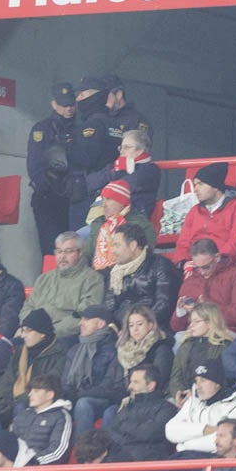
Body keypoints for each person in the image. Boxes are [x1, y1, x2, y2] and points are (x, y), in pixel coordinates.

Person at [27, 84, 85, 257]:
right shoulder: (42, 129)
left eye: (71, 104)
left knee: (75, 250)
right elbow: (34, 165)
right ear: (54, 104)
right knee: (51, 250)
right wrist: (48, 187)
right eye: (64, 105)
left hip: (74, 197)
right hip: (49, 197)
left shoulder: (82, 128)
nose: (68, 109)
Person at [23, 232, 105, 342]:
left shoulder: (92, 279)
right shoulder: (44, 278)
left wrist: (47, 331)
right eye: (59, 251)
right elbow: (28, 307)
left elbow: (84, 317)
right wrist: (29, 328)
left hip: (64, 337)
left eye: (68, 251)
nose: (62, 256)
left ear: (80, 252)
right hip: (33, 333)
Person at [100, 363, 178, 471]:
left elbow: (149, 433)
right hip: (118, 461)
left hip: (146, 467)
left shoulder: (167, 409)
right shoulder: (128, 407)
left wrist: (123, 426)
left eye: (135, 382)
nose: (129, 387)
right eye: (131, 382)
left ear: (151, 386)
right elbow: (110, 433)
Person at [62, 304, 125, 433]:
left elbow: (110, 387)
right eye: (81, 319)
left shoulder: (115, 350)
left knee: (83, 404)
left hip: (105, 401)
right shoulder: (74, 350)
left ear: (101, 324)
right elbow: (66, 382)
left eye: (86, 320)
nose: (80, 323)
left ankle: (82, 445)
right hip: (76, 397)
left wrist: (80, 394)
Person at [0, 311, 68, 421]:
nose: (23, 335)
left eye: (28, 331)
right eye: (22, 330)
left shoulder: (58, 353)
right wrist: (3, 399)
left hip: (36, 402)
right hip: (12, 401)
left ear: (42, 333)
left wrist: (18, 401)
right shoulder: (19, 351)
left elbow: (48, 384)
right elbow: (7, 378)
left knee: (19, 408)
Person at [172, 238, 236, 335]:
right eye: (197, 268)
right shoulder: (190, 281)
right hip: (197, 333)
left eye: (206, 267)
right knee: (179, 336)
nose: (202, 272)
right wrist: (181, 312)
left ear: (217, 257)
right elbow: (176, 328)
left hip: (227, 331)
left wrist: (209, 307)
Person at [173, 164, 236, 265]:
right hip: (193, 265)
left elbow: (235, 243)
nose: (195, 189)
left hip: (223, 265)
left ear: (215, 187)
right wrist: (183, 262)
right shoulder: (194, 211)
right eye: (195, 185)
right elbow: (183, 244)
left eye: (200, 184)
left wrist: (212, 262)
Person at [85, 128, 160, 219]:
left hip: (132, 219)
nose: (121, 151)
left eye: (127, 147)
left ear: (140, 150)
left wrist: (117, 173)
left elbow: (123, 187)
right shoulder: (115, 166)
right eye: (121, 147)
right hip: (105, 217)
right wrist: (115, 173)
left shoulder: (149, 169)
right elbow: (89, 184)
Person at [169, 301, 235, 398]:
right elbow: (176, 377)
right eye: (191, 321)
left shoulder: (225, 346)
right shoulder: (186, 345)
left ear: (210, 323)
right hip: (185, 398)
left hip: (213, 399)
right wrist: (180, 394)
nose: (191, 325)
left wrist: (197, 394)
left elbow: (225, 380)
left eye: (196, 321)